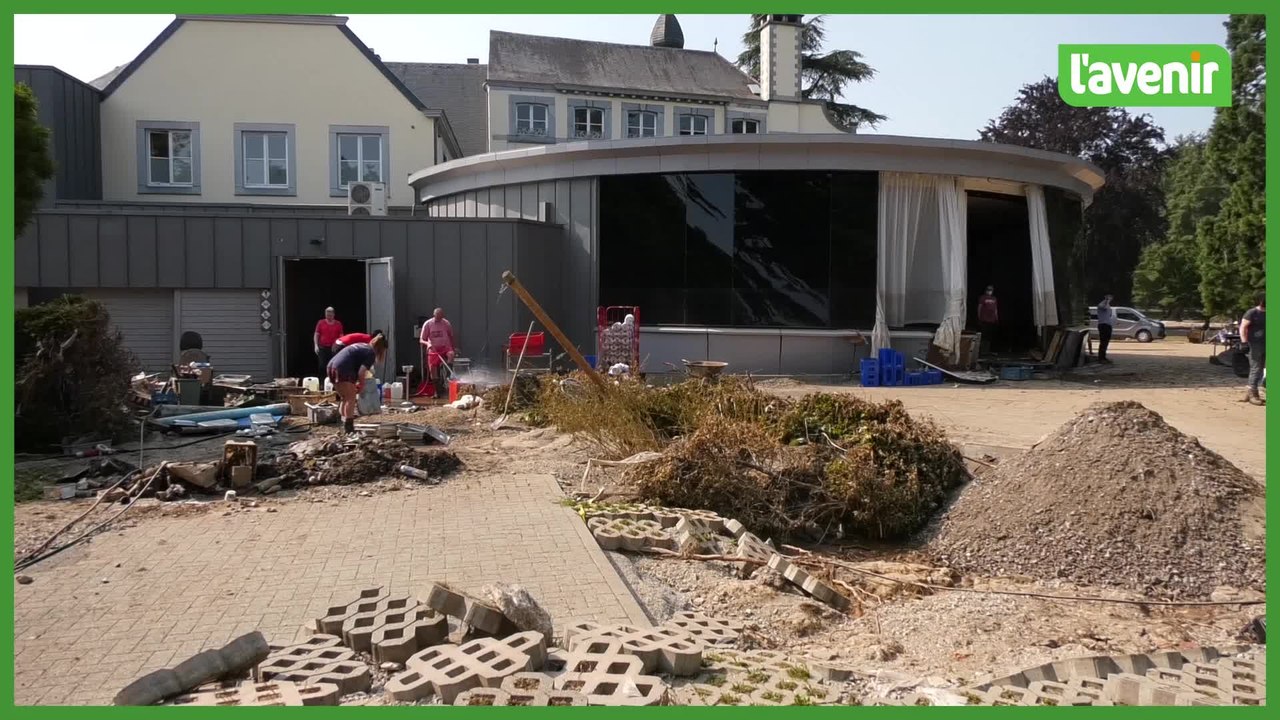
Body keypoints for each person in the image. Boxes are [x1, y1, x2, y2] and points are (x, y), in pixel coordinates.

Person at [327, 336, 389, 434]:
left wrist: (356, 383)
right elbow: (361, 372)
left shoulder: (363, 346)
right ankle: (349, 428)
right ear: (381, 349)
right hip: (343, 368)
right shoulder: (371, 353)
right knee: (350, 398)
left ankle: (343, 424)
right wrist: (362, 384)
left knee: (345, 398)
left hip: (331, 366)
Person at [419, 308, 456, 398]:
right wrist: (428, 343)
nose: (439, 319)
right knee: (433, 370)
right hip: (434, 350)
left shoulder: (446, 323)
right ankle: (437, 392)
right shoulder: (428, 324)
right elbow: (421, 339)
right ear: (434, 315)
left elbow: (451, 336)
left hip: (445, 347)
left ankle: (447, 376)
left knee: (451, 354)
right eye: (437, 317)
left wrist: (454, 348)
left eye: (441, 317)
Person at [1239, 293, 1265, 406]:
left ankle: (1253, 392)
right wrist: (1244, 342)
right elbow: (1243, 327)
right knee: (1256, 368)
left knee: (1261, 370)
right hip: (1255, 344)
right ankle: (1252, 393)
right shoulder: (1252, 313)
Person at [314, 307, 344, 376]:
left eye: (330, 315)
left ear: (333, 314)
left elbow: (341, 336)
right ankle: (322, 381)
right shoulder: (320, 323)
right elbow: (316, 334)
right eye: (327, 315)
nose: (328, 317)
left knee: (334, 365)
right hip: (322, 347)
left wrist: (337, 345)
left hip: (333, 348)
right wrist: (316, 345)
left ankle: (332, 380)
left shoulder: (338, 324)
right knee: (322, 365)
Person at [977, 286, 999, 356]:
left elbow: (995, 309)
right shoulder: (982, 298)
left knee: (989, 336)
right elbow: (979, 307)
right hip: (984, 319)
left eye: (991, 290)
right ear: (986, 290)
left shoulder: (994, 298)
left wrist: (997, 317)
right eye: (988, 290)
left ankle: (987, 350)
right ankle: (982, 351)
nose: (989, 291)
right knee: (984, 335)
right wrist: (979, 317)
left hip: (992, 320)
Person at [1096, 295, 1115, 364]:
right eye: (1109, 298)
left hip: (1108, 325)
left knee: (1106, 342)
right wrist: (1106, 300)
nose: (1110, 299)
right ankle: (1101, 358)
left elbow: (1109, 313)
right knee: (1103, 342)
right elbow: (1104, 307)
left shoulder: (1108, 305)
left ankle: (1103, 357)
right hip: (1103, 325)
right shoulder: (1101, 305)